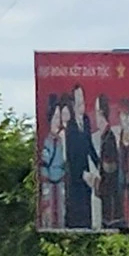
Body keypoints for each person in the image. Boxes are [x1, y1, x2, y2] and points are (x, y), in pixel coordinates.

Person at [63, 88, 98, 231]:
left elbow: (89, 145)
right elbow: (70, 154)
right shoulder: (70, 126)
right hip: (75, 174)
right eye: (78, 101)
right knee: (76, 204)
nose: (81, 104)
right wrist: (80, 173)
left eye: (82, 100)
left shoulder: (86, 120)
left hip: (86, 170)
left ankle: (87, 227)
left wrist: (98, 164)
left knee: (86, 203)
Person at [40, 98, 69, 230]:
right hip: (49, 183)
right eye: (56, 117)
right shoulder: (48, 141)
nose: (58, 121)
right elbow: (44, 163)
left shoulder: (62, 138)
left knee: (62, 211)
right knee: (49, 212)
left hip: (61, 181)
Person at [99, 94, 126, 230]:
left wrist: (98, 175)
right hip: (107, 193)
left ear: (101, 114)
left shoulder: (108, 138)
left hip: (111, 194)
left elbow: (111, 167)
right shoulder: (104, 136)